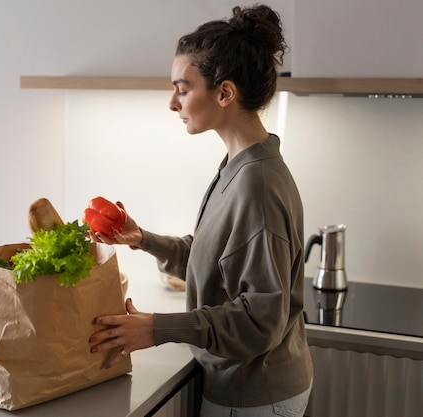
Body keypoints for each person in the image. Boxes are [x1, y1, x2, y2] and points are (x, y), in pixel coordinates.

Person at [88, 4, 314, 417]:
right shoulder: (239, 165)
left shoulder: (257, 185)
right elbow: (216, 260)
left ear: (225, 93)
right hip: (242, 385)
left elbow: (260, 321)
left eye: (183, 88)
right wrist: (143, 240)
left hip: (255, 396)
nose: (173, 103)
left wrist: (157, 329)